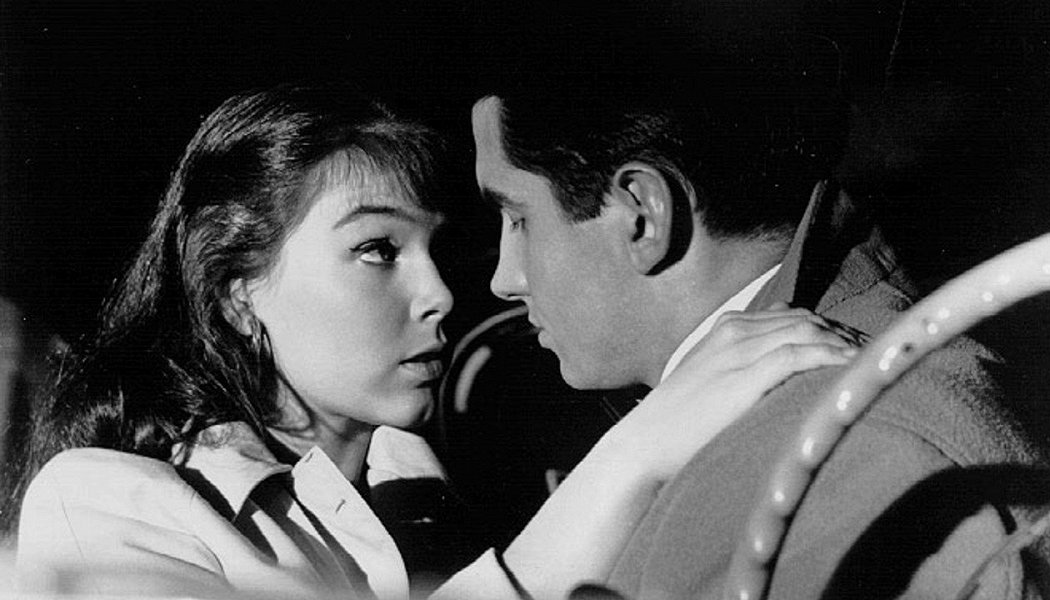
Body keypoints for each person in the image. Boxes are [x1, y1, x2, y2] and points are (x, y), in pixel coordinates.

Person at [9, 82, 855, 599]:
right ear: (237, 292)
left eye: (437, 249)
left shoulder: (427, 499)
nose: (442, 294)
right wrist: (633, 457)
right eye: (377, 250)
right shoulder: (105, 508)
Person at [436, 34, 1050, 600]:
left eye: (518, 218)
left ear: (642, 216)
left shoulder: (825, 462)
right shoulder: (843, 386)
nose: (503, 279)